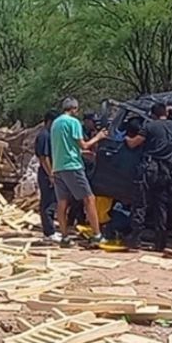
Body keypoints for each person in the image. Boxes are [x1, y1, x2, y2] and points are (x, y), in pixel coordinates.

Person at [126, 103, 172, 250]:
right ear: (165, 113)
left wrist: (126, 138)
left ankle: (135, 239)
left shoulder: (150, 126)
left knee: (140, 203)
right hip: (166, 170)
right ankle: (160, 242)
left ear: (153, 114)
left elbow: (133, 144)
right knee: (161, 206)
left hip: (149, 168)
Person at [50, 97, 108, 246]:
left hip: (58, 167)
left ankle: (64, 237)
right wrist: (98, 137)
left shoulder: (55, 123)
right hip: (72, 166)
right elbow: (84, 144)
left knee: (62, 203)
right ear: (75, 109)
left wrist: (81, 153)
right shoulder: (73, 122)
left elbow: (66, 146)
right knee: (89, 199)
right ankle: (97, 235)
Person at [35, 110, 60, 242]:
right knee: (47, 203)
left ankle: (51, 230)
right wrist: (51, 175)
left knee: (52, 201)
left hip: (49, 173)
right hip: (46, 174)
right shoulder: (44, 135)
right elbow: (43, 158)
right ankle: (49, 232)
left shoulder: (49, 134)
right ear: (50, 121)